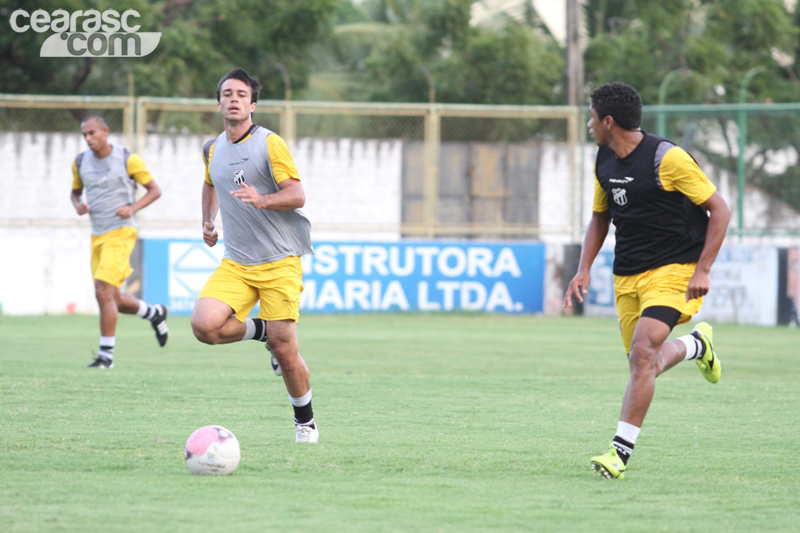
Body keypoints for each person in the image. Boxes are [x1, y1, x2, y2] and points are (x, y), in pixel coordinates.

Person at [563, 82, 731, 479]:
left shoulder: (667, 158)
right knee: (646, 364)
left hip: (675, 269)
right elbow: (601, 217)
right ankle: (696, 346)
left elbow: (719, 209)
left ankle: (618, 454)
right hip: (627, 275)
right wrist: (584, 267)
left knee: (642, 355)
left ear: (608, 120)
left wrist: (703, 269)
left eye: (591, 117)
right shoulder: (603, 158)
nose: (588, 124)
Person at [190, 68, 318, 443]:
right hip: (237, 262)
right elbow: (211, 181)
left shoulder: (269, 143)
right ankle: (261, 330)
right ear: (218, 103)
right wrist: (206, 221)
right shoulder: (212, 148)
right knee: (205, 326)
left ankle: (305, 423)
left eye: (241, 94)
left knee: (286, 348)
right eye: (227, 93)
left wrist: (262, 199)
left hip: (279, 261)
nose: (233, 98)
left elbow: (297, 194)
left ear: (253, 104)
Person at [71, 115, 169, 369]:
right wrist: (78, 205)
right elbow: (74, 192)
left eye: (92, 133)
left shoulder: (128, 159)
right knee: (113, 298)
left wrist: (132, 208)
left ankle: (106, 357)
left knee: (102, 291)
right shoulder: (80, 162)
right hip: (98, 234)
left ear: (105, 131)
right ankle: (154, 313)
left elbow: (155, 190)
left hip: (122, 231)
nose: (88, 139)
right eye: (84, 135)